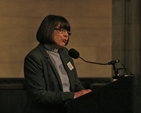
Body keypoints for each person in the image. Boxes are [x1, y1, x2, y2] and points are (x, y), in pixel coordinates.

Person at [24, 14, 92, 113]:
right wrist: (73, 95)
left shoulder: (65, 54)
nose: (66, 35)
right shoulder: (35, 57)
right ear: (48, 29)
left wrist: (85, 94)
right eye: (61, 30)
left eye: (68, 32)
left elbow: (76, 84)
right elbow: (39, 95)